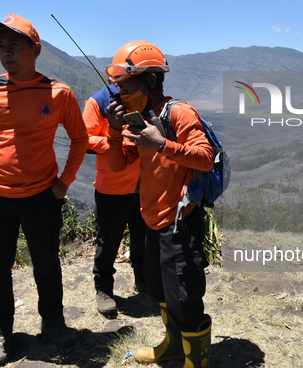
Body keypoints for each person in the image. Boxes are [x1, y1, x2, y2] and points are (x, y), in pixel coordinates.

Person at [0, 13, 88, 366]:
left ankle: (53, 323)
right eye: (1, 46)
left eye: (13, 45)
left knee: (46, 263)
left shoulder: (58, 93)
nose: (5, 52)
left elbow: (80, 138)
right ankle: (2, 334)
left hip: (41, 196)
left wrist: (65, 181)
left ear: (36, 49)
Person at [105, 41, 214, 367]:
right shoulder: (138, 120)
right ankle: (172, 346)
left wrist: (163, 144)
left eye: (126, 83)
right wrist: (113, 130)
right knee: (164, 294)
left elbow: (206, 158)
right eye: (118, 84)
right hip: (152, 222)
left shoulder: (178, 113)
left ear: (150, 81)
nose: (119, 91)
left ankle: (197, 362)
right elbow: (117, 163)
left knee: (187, 300)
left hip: (180, 222)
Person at [82, 83, 146, 318]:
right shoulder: (98, 101)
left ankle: (143, 280)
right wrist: (115, 141)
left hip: (146, 185)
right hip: (113, 186)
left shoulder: (145, 96)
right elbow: (84, 139)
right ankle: (104, 289)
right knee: (108, 241)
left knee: (144, 237)